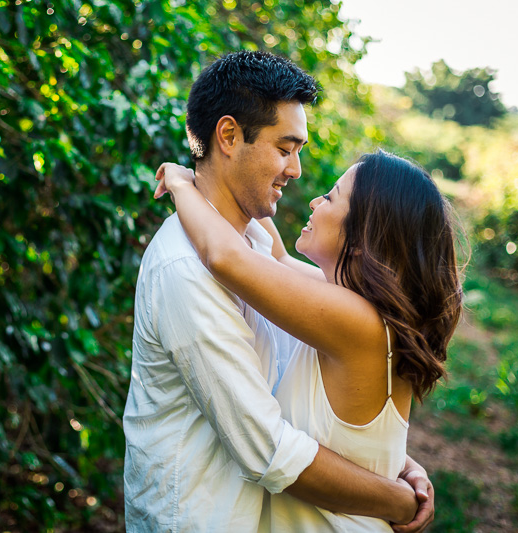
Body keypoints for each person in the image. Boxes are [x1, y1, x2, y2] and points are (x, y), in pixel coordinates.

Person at [123, 50, 435, 532]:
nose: (298, 172)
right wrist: (394, 497)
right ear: (228, 135)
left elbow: (299, 387)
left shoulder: (254, 251)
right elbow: (268, 448)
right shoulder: (186, 266)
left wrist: (391, 462)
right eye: (285, 148)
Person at [153, 149, 462, 531]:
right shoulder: (361, 307)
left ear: (364, 237)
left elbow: (224, 256)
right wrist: (229, 174)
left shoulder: (356, 320)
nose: (316, 200)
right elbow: (278, 259)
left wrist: (183, 185)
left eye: (331, 197)